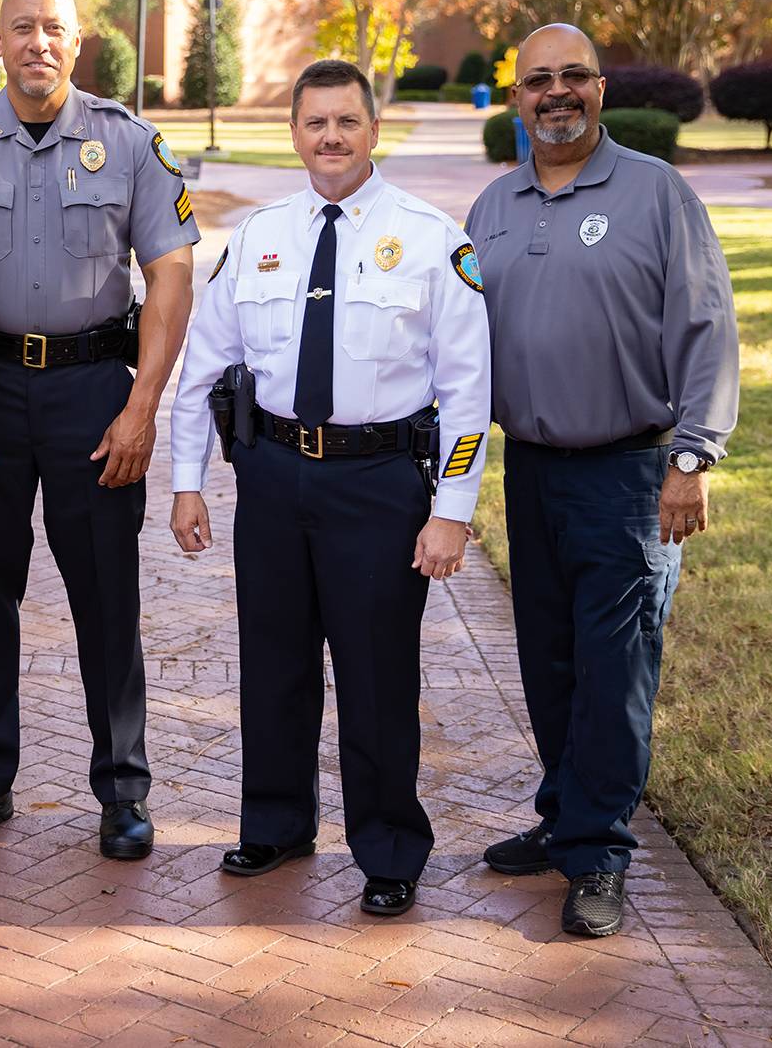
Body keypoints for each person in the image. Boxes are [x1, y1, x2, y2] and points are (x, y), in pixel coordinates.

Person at [169, 58, 490, 917]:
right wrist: (188, 481)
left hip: (379, 483)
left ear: (374, 130)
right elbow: (203, 366)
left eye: (347, 121)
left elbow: (468, 392)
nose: (332, 138)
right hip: (273, 475)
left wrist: (451, 512)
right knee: (271, 662)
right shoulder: (261, 236)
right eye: (316, 123)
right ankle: (275, 823)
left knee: (378, 673)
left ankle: (388, 847)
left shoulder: (430, 239)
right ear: (295, 134)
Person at [0, 0, 198, 860]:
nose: (39, 41)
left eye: (55, 29)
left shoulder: (131, 144)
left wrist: (143, 405)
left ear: (79, 46)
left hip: (92, 394)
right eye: (24, 26)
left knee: (107, 596)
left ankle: (122, 791)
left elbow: (172, 275)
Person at [465, 23, 739, 938]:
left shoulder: (657, 193)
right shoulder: (492, 206)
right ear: (517, 99)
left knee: (615, 669)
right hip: (531, 470)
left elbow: (706, 327)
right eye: (538, 80)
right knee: (547, 660)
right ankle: (564, 817)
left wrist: (692, 455)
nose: (555, 93)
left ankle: (599, 853)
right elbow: (457, 343)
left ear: (601, 88)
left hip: (630, 472)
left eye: (572, 76)